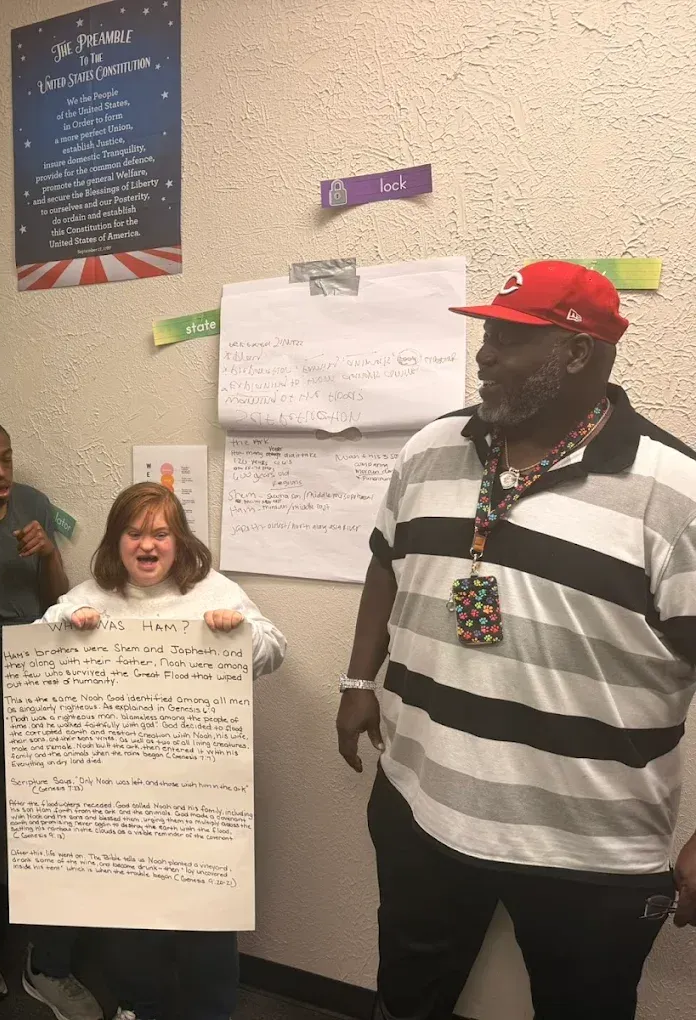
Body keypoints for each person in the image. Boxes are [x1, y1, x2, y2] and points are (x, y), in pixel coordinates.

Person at [334, 262, 696, 1020]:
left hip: (590, 850)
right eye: (487, 332)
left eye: (510, 337)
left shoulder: (675, 493)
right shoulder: (432, 447)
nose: (484, 353)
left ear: (579, 353)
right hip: (419, 799)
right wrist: (359, 681)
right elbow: (384, 560)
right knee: (407, 996)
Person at [44, 482, 286, 1020]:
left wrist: (241, 632)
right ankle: (138, 1005)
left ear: (180, 542)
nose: (147, 545)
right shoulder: (90, 596)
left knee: (207, 932)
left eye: (161, 533)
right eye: (134, 533)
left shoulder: (212, 590)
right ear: (116, 542)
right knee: (131, 927)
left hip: (200, 802)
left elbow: (275, 650)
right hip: (119, 803)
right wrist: (63, 627)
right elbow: (38, 646)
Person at [0, 421, 101, 1018]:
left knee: (47, 804)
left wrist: (49, 555)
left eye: (7, 458)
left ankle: (46, 952)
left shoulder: (33, 507)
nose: (1, 472)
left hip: (39, 655)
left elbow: (57, 603)